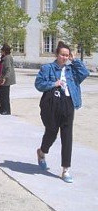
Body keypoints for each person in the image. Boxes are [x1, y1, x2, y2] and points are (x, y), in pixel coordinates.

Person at [35, 41, 89, 183]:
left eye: (67, 55)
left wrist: (75, 60)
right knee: (51, 131)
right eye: (62, 55)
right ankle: (42, 152)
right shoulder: (47, 68)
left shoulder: (72, 70)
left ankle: (66, 169)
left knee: (67, 136)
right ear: (56, 54)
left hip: (68, 103)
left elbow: (85, 73)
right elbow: (38, 84)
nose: (64, 57)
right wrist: (53, 83)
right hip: (53, 104)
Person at [0, 43, 16, 115]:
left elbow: (8, 69)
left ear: (5, 51)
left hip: (6, 79)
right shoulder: (4, 57)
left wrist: (4, 78)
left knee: (5, 94)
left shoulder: (7, 58)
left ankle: (6, 110)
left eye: (2, 50)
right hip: (3, 77)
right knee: (2, 94)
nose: (1, 52)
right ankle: (2, 108)